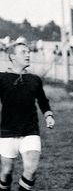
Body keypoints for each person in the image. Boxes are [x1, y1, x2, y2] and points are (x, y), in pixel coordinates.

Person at [0, 43, 55, 191]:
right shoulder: (2, 78)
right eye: (23, 52)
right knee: (6, 172)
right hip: (7, 132)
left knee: (30, 170)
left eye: (29, 51)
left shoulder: (35, 79)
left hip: (30, 131)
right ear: (12, 56)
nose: (28, 54)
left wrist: (48, 115)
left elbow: (43, 101)